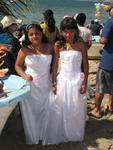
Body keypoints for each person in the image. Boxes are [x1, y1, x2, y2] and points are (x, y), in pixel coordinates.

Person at [42, 17, 88, 145]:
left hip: (76, 80)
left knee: (75, 107)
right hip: (62, 79)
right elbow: (55, 64)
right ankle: (63, 131)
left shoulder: (81, 45)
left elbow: (86, 64)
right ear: (61, 32)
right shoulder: (58, 45)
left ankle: (74, 133)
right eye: (65, 31)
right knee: (62, 107)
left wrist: (85, 82)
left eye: (71, 31)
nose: (68, 34)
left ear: (75, 31)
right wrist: (54, 82)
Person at [15, 24, 54, 144]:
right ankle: (34, 135)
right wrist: (25, 76)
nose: (34, 36)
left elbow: (57, 63)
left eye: (37, 33)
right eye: (31, 34)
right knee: (32, 112)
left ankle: (45, 134)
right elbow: (17, 66)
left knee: (47, 109)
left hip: (46, 84)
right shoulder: (24, 49)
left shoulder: (50, 47)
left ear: (42, 33)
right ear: (27, 36)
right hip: (30, 85)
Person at [89, 6, 113, 118]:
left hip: (108, 60)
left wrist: (101, 39)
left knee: (100, 87)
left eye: (110, 9)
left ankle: (97, 110)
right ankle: (110, 106)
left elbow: (103, 40)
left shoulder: (110, 22)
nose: (108, 11)